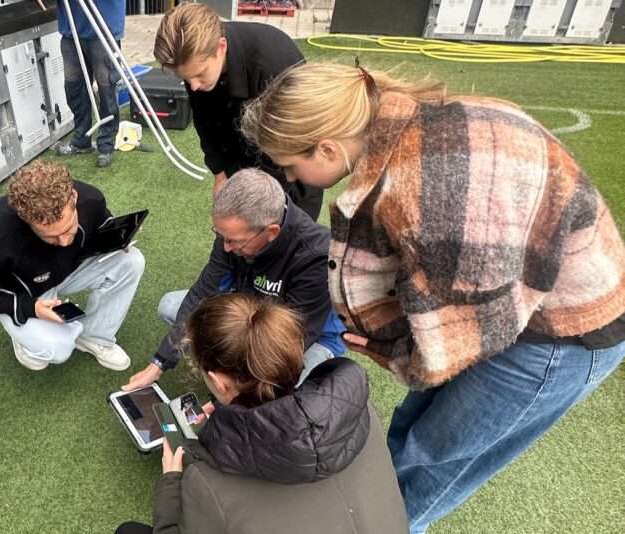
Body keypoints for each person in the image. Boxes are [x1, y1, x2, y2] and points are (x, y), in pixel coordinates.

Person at [240, 62, 625, 532]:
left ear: (327, 147)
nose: (290, 177)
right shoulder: (406, 130)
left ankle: (387, 524)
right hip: (516, 296)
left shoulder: (428, 185)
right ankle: (360, 513)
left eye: (289, 165)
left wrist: (395, 350)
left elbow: (463, 334)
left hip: (558, 335)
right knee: (411, 427)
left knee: (434, 461)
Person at [115, 293, 408, 534]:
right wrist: (232, 412)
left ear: (219, 382)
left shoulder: (207, 484)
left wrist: (171, 479)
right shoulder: (359, 410)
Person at [122, 168, 345, 393]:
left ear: (271, 232)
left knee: (281, 393)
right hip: (246, 310)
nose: (226, 247)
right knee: (170, 307)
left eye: (235, 241)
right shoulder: (231, 234)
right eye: (222, 237)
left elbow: (290, 341)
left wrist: (233, 395)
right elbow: (202, 292)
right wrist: (160, 362)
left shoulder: (317, 257)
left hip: (306, 338)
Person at [0, 161, 144, 370]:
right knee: (58, 349)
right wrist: (30, 308)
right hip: (25, 292)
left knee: (131, 261)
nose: (65, 242)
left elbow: (100, 225)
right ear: (25, 219)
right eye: (53, 236)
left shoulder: (91, 199)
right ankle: (24, 341)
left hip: (66, 271)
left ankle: (93, 336)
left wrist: (116, 239)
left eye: (68, 227)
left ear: (74, 197)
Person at [153, 3, 323, 219]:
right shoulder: (195, 65)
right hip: (239, 159)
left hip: (292, 167)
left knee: (284, 242)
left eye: (200, 74)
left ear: (221, 46)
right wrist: (220, 175)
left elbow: (294, 149)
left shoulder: (273, 64)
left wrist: (257, 204)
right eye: (186, 79)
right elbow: (205, 124)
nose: (193, 86)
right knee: (235, 239)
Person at [55, 0, 125, 168]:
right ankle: (81, 141)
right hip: (71, 30)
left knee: (106, 90)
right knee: (74, 88)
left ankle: (106, 146)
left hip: (103, 28)